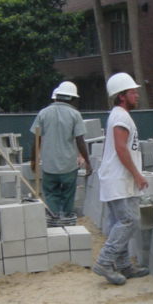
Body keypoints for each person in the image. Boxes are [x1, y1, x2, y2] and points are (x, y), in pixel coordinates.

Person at [93, 72, 150, 285]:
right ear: (121, 96)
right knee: (128, 220)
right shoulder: (120, 117)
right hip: (118, 178)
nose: (137, 95)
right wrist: (137, 174)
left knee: (121, 221)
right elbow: (120, 147)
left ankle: (124, 265)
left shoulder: (120, 115)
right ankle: (105, 261)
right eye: (133, 92)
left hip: (120, 178)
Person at [30, 81, 92, 225]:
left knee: (51, 194)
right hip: (68, 165)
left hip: (49, 165)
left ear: (56, 96)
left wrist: (34, 160)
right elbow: (80, 141)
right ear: (72, 98)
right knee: (68, 195)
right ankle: (68, 222)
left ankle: (54, 222)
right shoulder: (75, 114)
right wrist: (87, 162)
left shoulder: (43, 113)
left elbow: (36, 139)